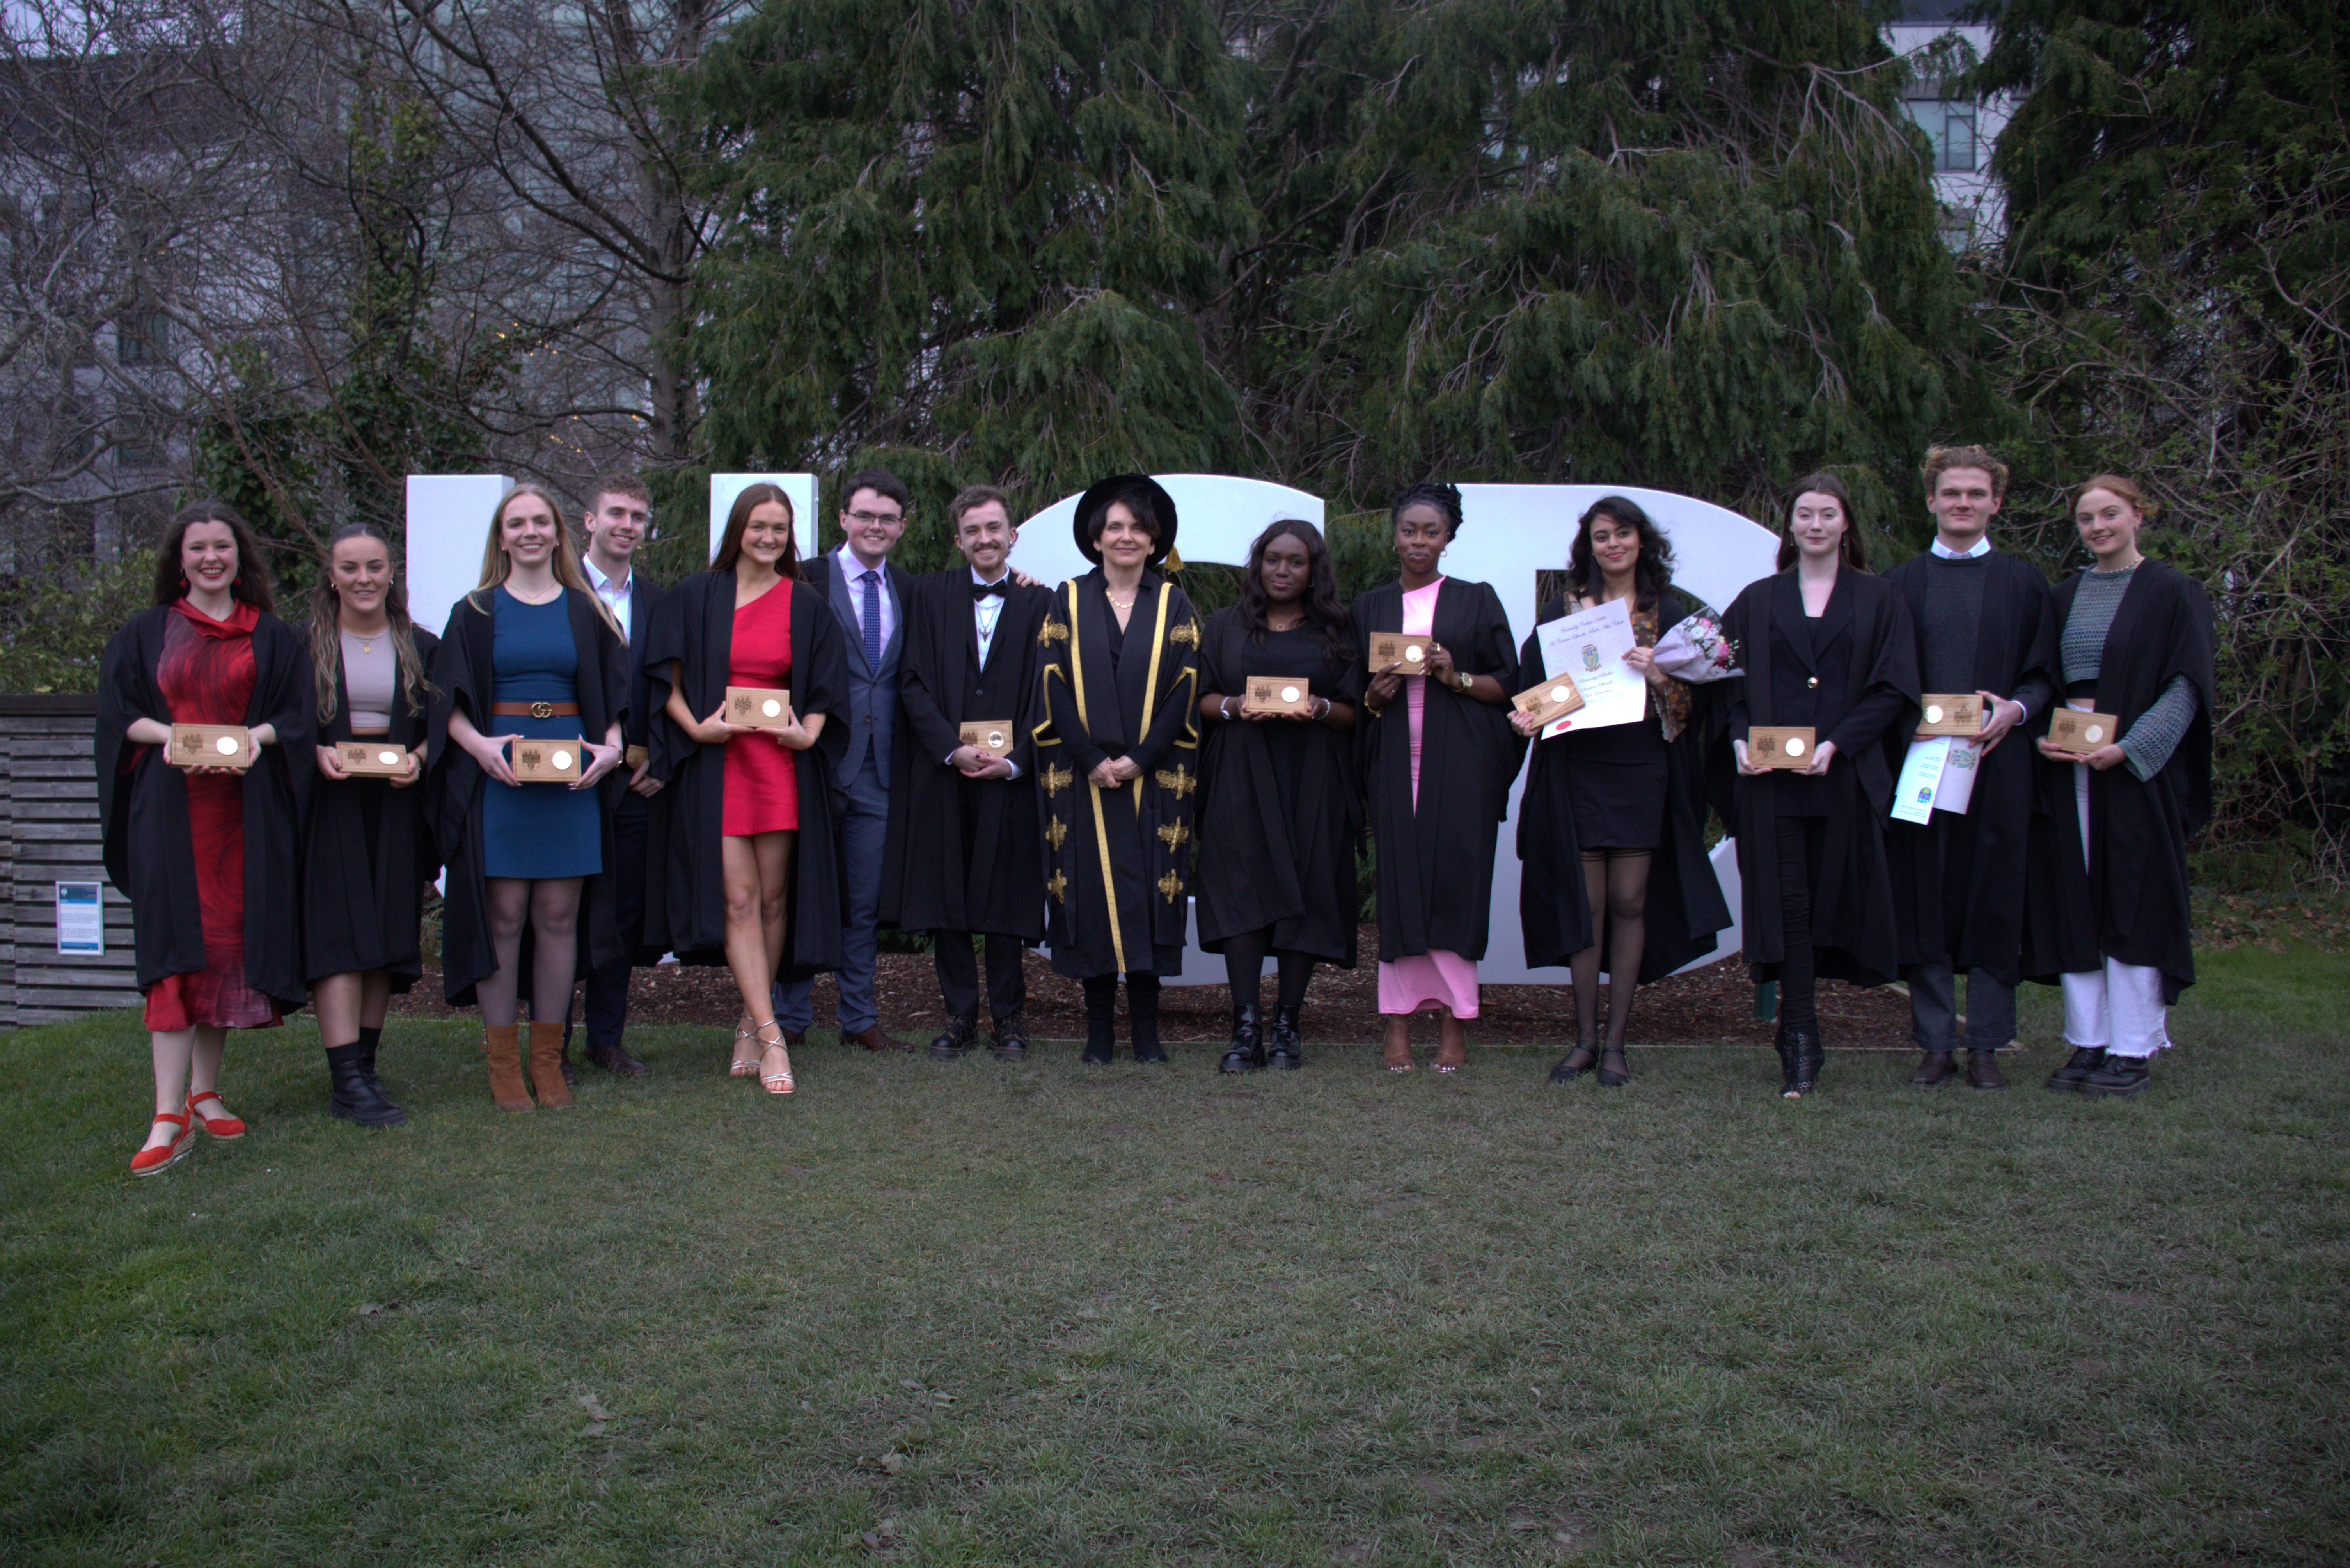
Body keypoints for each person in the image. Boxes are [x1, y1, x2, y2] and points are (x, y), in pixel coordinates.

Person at [96, 502, 314, 1174]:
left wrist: (253, 738)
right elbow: (118, 715)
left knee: (222, 953)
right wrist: (174, 738)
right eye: (198, 549)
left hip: (240, 817)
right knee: (174, 954)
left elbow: (295, 718)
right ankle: (168, 1113)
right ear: (180, 560)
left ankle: (207, 1092)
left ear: (239, 557)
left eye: (223, 547)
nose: (211, 558)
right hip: (171, 815)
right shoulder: (146, 633)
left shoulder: (273, 637)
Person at [1515, 496, 1731, 1087]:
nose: (1613, 544)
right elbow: (1538, 684)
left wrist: (1659, 671)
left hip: (1642, 766)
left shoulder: (1672, 611)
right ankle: (1583, 1040)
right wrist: (1529, 715)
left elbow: (1692, 710)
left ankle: (1617, 1043)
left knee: (1632, 902)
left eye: (1623, 534)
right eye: (1601, 536)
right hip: (1578, 766)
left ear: (1642, 541)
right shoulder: (1562, 608)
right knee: (1587, 907)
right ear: (1589, 546)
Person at [425, 484, 628, 1112]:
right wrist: (478, 746)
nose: (531, 532)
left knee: (558, 919)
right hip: (503, 783)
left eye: (542, 521)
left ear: (559, 532)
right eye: (518, 524)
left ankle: (547, 1061)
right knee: (505, 917)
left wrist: (614, 749)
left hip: (569, 783)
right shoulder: (475, 612)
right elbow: (446, 705)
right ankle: (502, 1062)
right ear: (502, 536)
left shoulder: (585, 609)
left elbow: (616, 697)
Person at [641, 482, 849, 1094]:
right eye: (759, 526)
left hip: (779, 768)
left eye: (780, 529)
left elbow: (828, 688)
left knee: (773, 903)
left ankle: (747, 1024)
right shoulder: (697, 596)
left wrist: (807, 737)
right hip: (722, 767)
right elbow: (664, 677)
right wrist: (695, 729)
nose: (769, 538)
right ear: (738, 529)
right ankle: (773, 1035)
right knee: (737, 900)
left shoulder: (805, 604)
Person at [1719, 474, 1920, 1098]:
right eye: (1804, 514)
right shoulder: (1757, 600)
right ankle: (1801, 1036)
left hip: (1844, 779)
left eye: (1827, 515)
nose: (1814, 525)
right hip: (1771, 785)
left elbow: (1894, 687)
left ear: (1846, 526)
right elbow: (1727, 681)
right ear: (1791, 526)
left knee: (1828, 906)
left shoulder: (1879, 599)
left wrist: (1838, 744)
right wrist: (1737, 742)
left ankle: (1799, 1031)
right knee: (1788, 908)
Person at [2023, 474, 2214, 1098]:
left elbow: (2186, 686)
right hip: (2069, 767)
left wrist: (2132, 748)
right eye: (2085, 518)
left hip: (2133, 770)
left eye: (2110, 514)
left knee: (2131, 902)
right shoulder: (2065, 595)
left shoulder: (2171, 591)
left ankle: (2133, 1048)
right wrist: (2042, 738)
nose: (2098, 526)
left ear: (2138, 515)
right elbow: (2045, 677)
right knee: (2077, 904)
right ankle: (2089, 1041)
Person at [1883, 447, 2059, 1090]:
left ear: (1996, 503)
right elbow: (1883, 680)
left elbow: (2046, 673)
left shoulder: (2024, 583)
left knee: (1995, 901)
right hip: (1922, 765)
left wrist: (2017, 709)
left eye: (1976, 494)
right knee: (1924, 900)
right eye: (1951, 493)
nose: (1963, 503)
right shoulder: (1900, 584)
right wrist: (1911, 721)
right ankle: (1935, 1044)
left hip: (1998, 764)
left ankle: (1986, 1043)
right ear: (1930, 500)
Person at [1350, 482, 1523, 1074]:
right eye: (1409, 530)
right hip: (1397, 768)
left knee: (1457, 892)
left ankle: (1456, 1023)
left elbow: (1510, 687)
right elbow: (1355, 698)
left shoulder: (1476, 600)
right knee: (1400, 895)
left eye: (1432, 531)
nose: (1419, 540)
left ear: (1449, 538)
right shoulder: (1370, 607)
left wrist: (1457, 678)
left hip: (1462, 769)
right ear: (1394, 534)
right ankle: (1396, 1025)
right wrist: (1374, 697)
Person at [881, 484, 1053, 1061]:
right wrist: (950, 749)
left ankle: (1010, 1019)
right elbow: (912, 681)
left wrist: (1016, 759)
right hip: (944, 772)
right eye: (973, 530)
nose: (985, 539)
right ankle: (959, 1016)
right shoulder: (929, 594)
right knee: (946, 897)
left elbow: (1051, 692)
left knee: (1006, 898)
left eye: (994, 528)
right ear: (959, 539)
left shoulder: (1043, 602)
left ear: (1012, 535)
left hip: (1011, 775)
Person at [1036, 474, 1202, 1063]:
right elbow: (1051, 682)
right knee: (1089, 892)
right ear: (1096, 537)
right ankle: (1099, 1032)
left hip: (1152, 778)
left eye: (1137, 527)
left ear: (1154, 540)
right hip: (1085, 778)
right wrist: (1091, 758)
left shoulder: (1173, 603)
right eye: (1115, 527)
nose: (1126, 536)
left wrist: (1141, 757)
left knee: (1150, 895)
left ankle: (1148, 1033)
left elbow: (1185, 685)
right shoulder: (1068, 599)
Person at [1195, 518, 1361, 1072]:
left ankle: (1288, 1024)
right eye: (1273, 559)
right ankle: (1246, 1027)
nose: (1282, 570)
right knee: (1242, 890)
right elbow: (1199, 700)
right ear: (1258, 564)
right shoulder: (1224, 626)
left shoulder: (1337, 632)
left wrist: (1315, 709)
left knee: (1308, 889)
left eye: (1295, 561)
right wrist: (1234, 707)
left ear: (1314, 570)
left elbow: (1354, 714)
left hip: (1313, 776)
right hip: (1241, 773)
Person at [773, 468, 917, 1052]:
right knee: (800, 891)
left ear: (901, 528)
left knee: (862, 904)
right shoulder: (801, 579)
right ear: (842, 519)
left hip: (881, 772)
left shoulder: (912, 589)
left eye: (886, 518)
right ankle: (788, 1017)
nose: (874, 526)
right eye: (864, 515)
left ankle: (858, 1018)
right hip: (809, 762)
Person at [302, 521, 439, 1127]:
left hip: (395, 802)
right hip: (329, 805)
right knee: (338, 936)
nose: (364, 579)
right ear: (331, 576)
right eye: (351, 568)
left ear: (391, 573)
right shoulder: (301, 645)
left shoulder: (421, 644)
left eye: (375, 567)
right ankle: (345, 1080)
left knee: (385, 935)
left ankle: (365, 1066)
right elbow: (281, 719)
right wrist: (313, 750)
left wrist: (420, 757)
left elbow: (445, 722)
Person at [538, 474, 668, 1080]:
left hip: (635, 784)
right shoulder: (553, 593)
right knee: (559, 913)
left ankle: (606, 1038)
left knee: (621, 914)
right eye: (615, 513)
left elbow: (675, 691)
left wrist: (661, 763)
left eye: (638, 516)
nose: (627, 524)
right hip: (568, 779)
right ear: (587, 521)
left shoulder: (659, 603)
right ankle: (553, 1042)